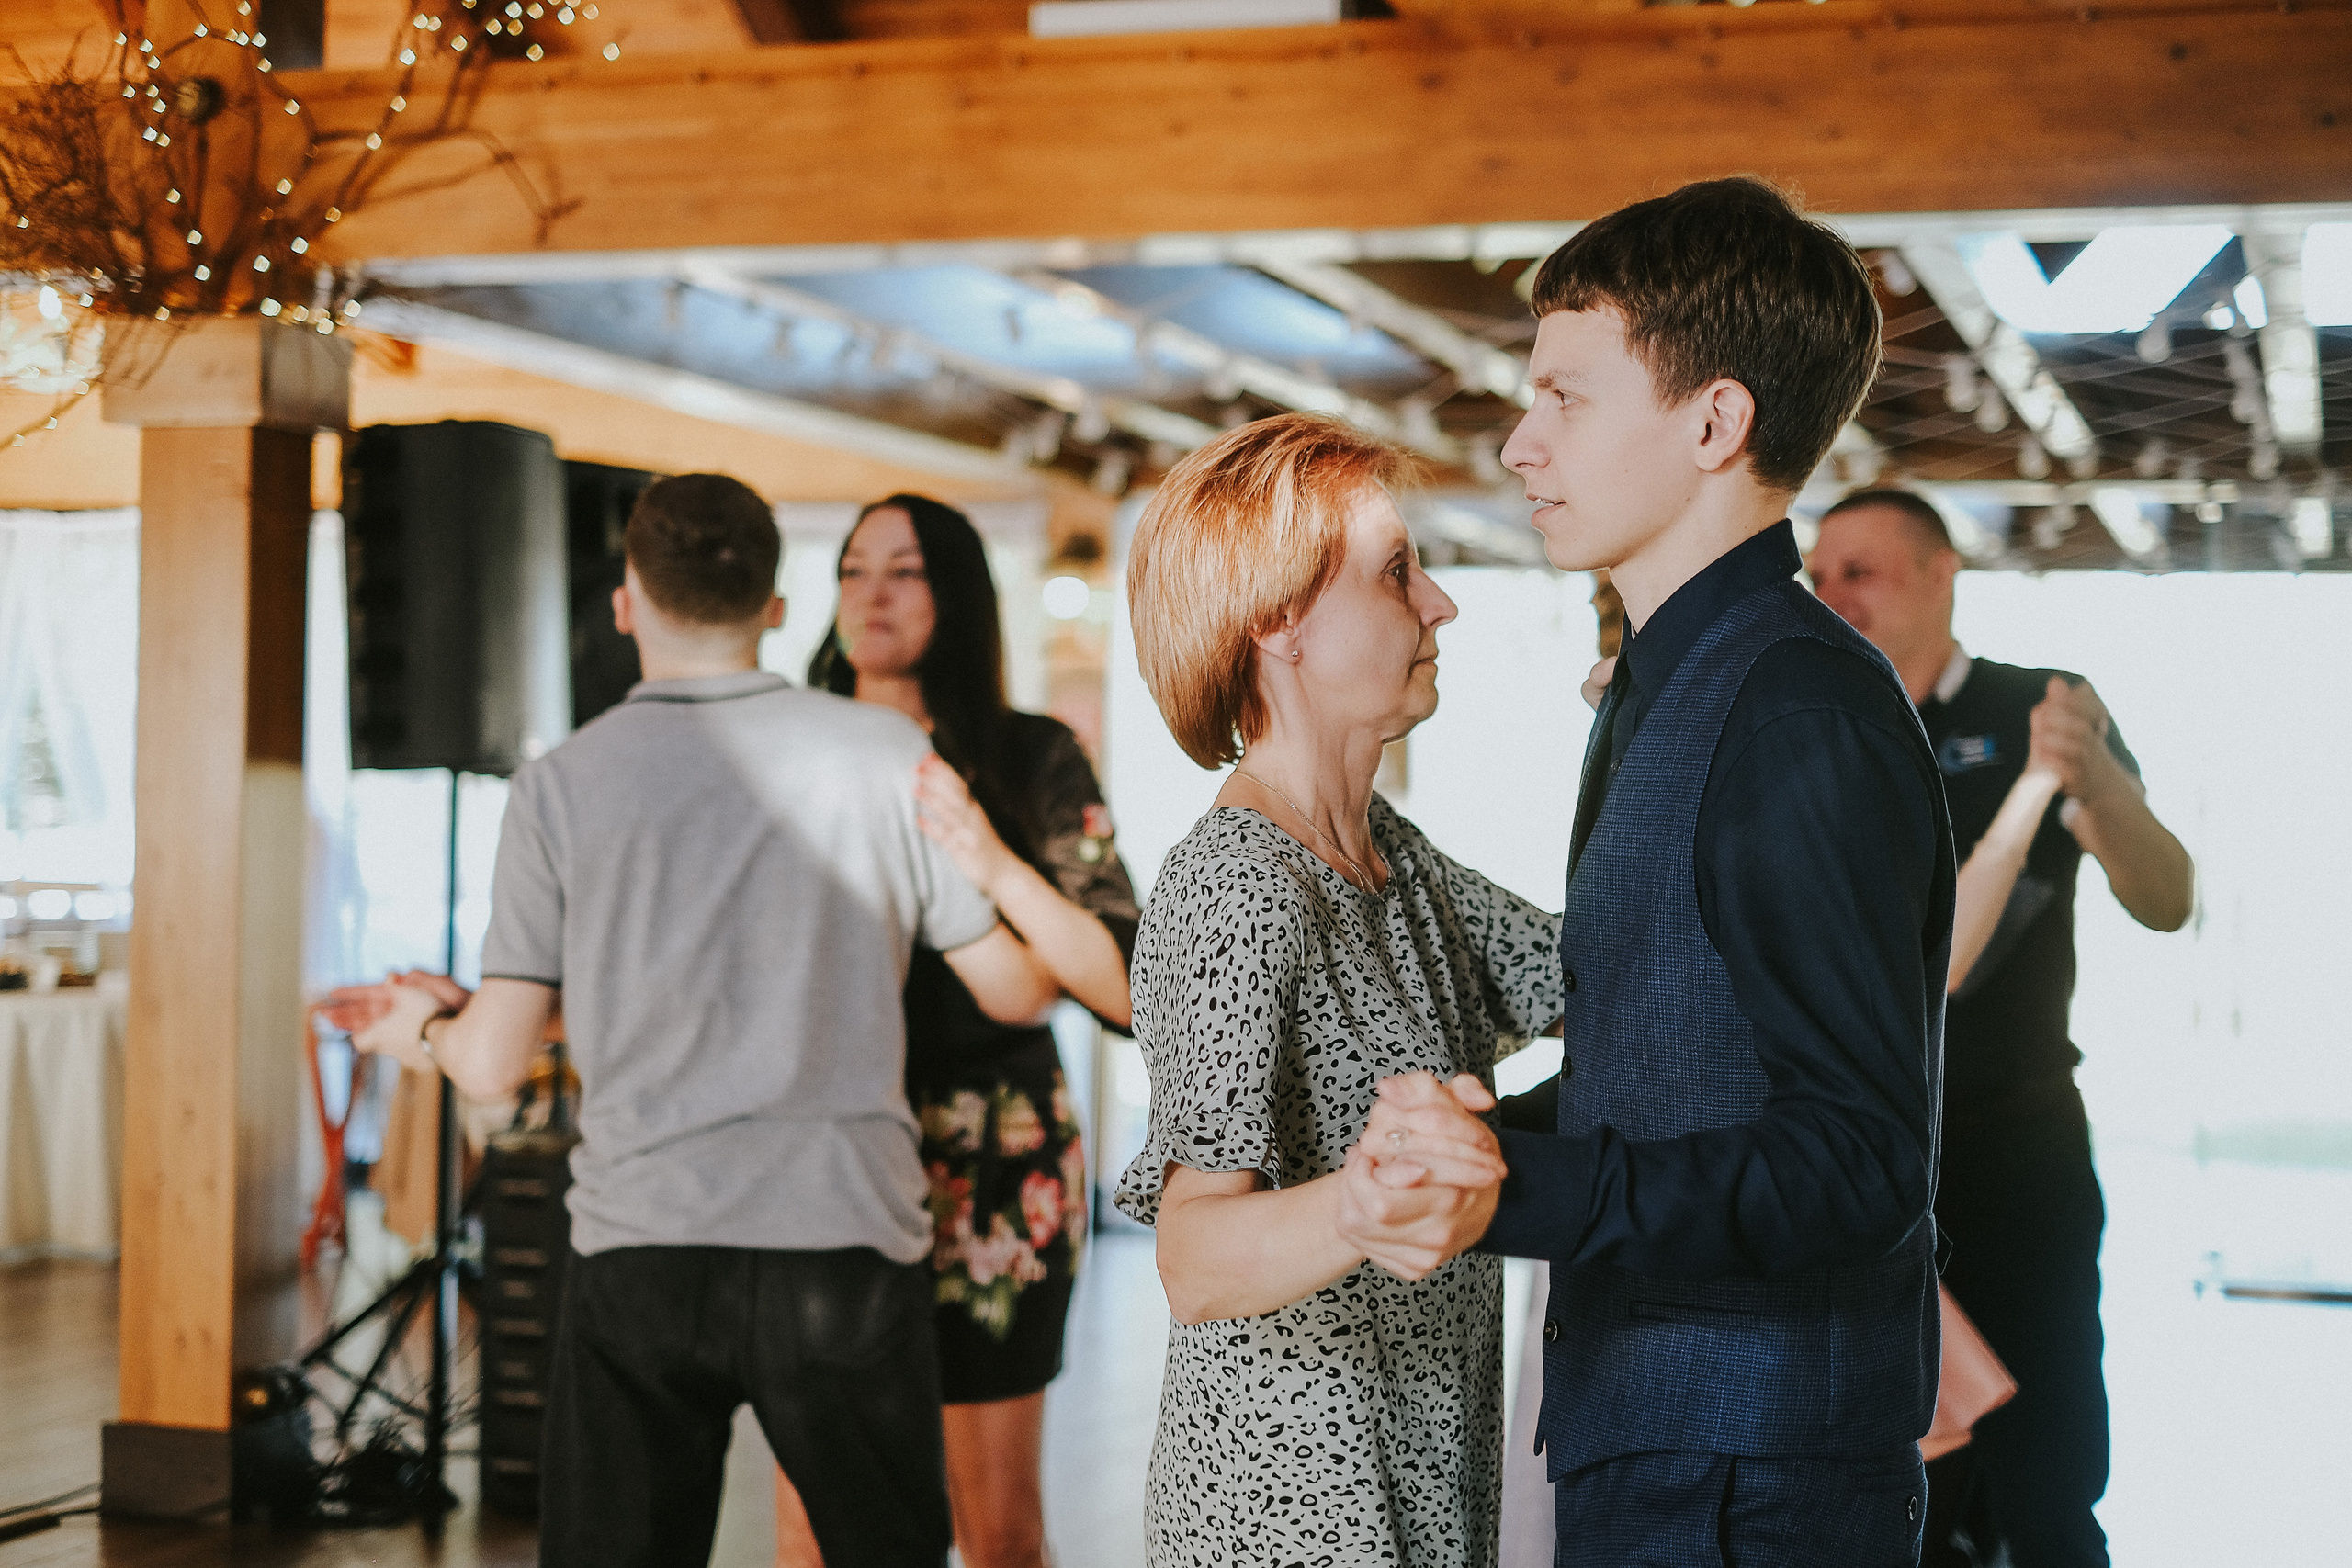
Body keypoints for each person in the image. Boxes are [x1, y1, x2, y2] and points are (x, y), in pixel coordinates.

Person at [1374, 175, 1954, 1565]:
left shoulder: (1796, 709)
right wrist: (1482, 1142)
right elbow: (1683, 1070)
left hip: (1753, 1478)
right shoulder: (1672, 684)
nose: (1519, 443)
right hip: (1671, 1446)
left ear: (1715, 420)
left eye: (1565, 396)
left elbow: (1861, 1161)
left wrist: (1517, 1190)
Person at [352, 473, 1063, 1568]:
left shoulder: (558, 784)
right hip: (842, 1244)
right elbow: (1013, 990)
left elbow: (493, 1062)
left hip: (645, 1250)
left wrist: (419, 1033)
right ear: (776, 606)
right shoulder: (884, 756)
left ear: (627, 600)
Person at [1114, 412, 1566, 1566]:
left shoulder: (1388, 858)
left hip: (1417, 1492)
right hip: (1289, 1523)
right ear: (1278, 618)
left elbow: (1594, 980)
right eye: (1398, 572)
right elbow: (1194, 1257)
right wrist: (1362, 1205)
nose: (1440, 606)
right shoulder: (1236, 888)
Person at [1809, 489, 2195, 1568]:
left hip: (2013, 1139)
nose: (1831, 594)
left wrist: (2095, 778)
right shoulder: (1811, 716)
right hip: (1858, 1155)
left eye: (1861, 572)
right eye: (1819, 573)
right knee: (1892, 1463)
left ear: (1942, 576)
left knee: (2048, 1462)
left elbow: (2165, 898)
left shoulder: (2040, 708)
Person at [773, 494, 1140, 1568]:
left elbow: (1121, 986)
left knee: (996, 1526)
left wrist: (987, 859)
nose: (870, 594)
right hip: (824, 1150)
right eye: (852, 570)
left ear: (959, 595)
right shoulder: (788, 744)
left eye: (904, 571)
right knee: (814, 1517)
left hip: (993, 1161)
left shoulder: (1028, 758)